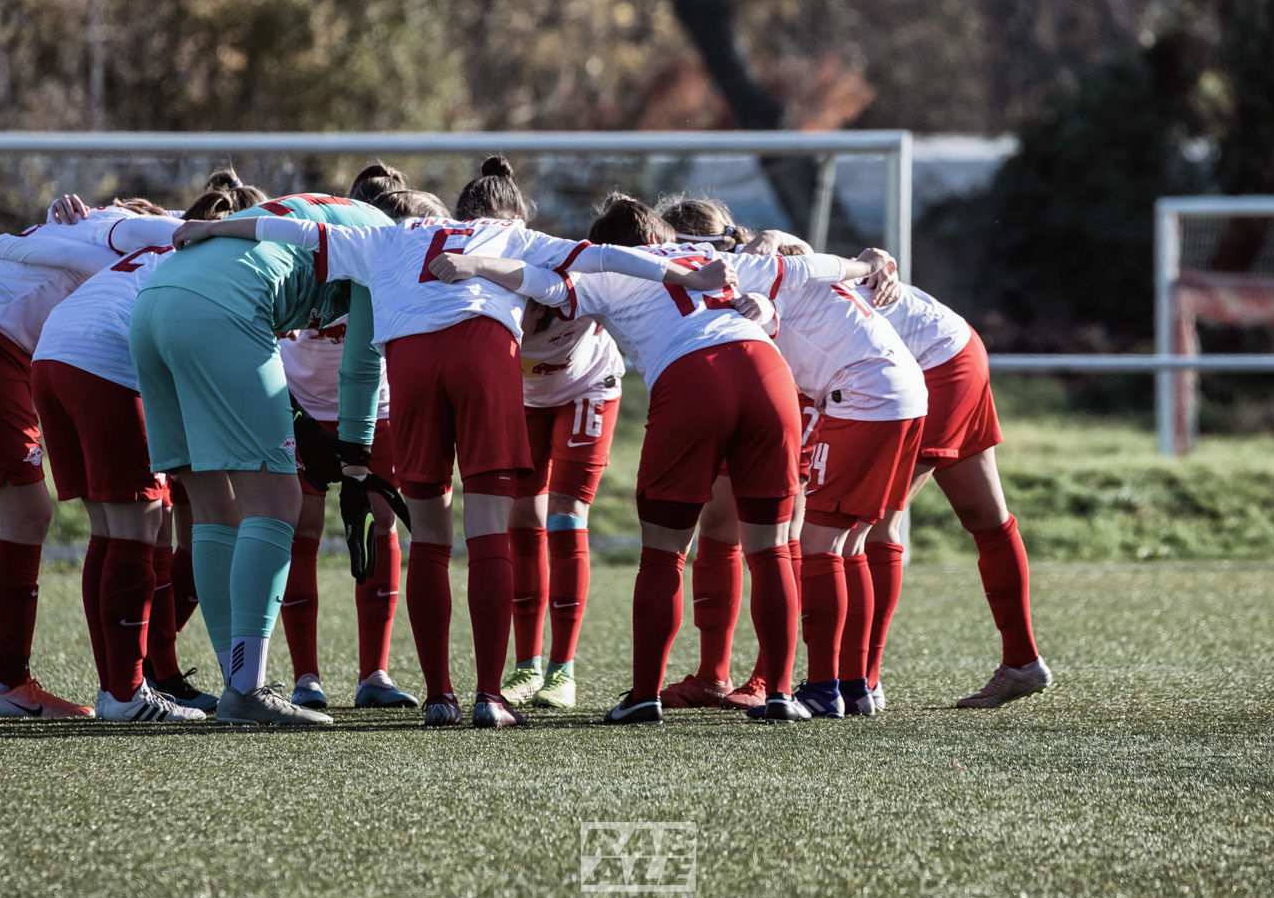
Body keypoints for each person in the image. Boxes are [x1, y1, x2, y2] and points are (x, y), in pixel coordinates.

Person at [170, 158, 733, 728]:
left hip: (411, 362)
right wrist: (683, 277)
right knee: (489, 528)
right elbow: (601, 257)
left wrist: (212, 226)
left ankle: (440, 694)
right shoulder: (508, 233)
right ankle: (490, 695)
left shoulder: (386, 234)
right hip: (482, 350)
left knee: (432, 537)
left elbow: (292, 229)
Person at [427, 194, 896, 725]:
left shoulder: (606, 274)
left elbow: (539, 283)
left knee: (664, 552)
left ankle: (645, 694)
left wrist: (471, 263)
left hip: (694, 379)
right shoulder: (717, 261)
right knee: (771, 550)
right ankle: (782, 693)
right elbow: (811, 266)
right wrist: (869, 263)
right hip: (770, 378)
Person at [131, 188, 391, 727]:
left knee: (213, 509)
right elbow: (362, 368)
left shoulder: (333, 211)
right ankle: (247, 689)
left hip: (153, 304)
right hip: (219, 309)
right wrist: (357, 464)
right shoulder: (389, 241)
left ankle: (236, 683)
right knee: (276, 502)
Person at [655, 205, 927, 720]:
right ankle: (855, 684)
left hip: (863, 393)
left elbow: (761, 308)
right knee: (847, 544)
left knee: (819, 543)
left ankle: (824, 687)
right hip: (901, 392)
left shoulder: (759, 275)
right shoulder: (799, 269)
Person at [0, 193, 179, 719]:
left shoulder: (88, 228)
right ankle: (11, 684)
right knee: (29, 514)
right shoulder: (131, 231)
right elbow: (187, 228)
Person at [16, 170, 263, 722]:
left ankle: (120, 688)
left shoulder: (169, 240)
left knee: (110, 529)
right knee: (138, 525)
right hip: (104, 360)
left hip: (52, 356)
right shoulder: (226, 254)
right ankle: (127, 694)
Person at [272, 167, 431, 713]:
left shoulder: (397, 253)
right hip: (302, 410)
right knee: (302, 529)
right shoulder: (316, 245)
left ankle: (375, 674)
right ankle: (305, 678)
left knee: (379, 526)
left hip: (375, 413)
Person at [866, 278, 1051, 709]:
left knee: (871, 521)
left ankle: (860, 680)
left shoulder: (754, 289)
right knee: (984, 515)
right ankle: (1023, 662)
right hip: (951, 346)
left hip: (938, 362)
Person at [497, 298, 624, 710]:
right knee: (521, 516)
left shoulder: (578, 294)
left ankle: (562, 671)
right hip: (523, 398)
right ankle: (527, 668)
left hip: (587, 390)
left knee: (565, 516)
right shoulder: (486, 296)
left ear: (538, 304)